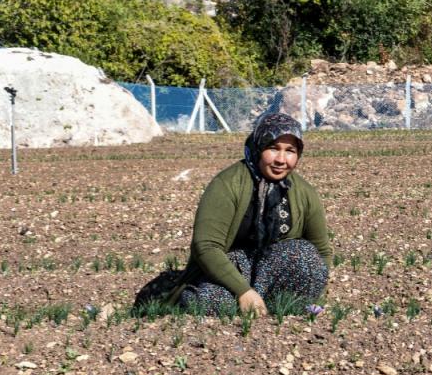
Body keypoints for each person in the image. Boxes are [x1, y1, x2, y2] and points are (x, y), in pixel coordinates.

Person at [136, 113, 331, 316]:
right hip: (229, 270)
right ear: (258, 147)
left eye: (290, 151)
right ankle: (183, 299)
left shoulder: (304, 192)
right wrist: (244, 291)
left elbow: (322, 251)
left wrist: (315, 291)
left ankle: (277, 309)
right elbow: (206, 246)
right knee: (212, 303)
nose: (281, 159)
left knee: (304, 254)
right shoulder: (227, 184)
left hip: (273, 269)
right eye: (273, 148)